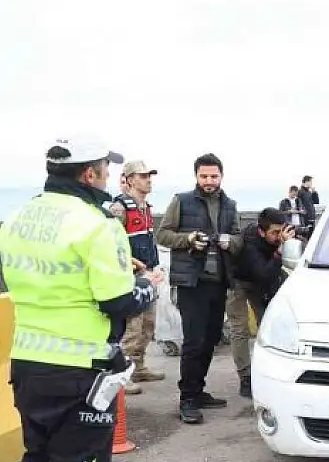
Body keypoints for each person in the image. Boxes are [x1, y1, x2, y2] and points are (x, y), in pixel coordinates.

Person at [1, 138, 160, 462]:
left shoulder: (18, 218)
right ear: (89, 175)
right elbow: (118, 300)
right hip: (82, 370)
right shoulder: (96, 224)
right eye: (104, 170)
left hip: (29, 365)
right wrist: (149, 286)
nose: (107, 177)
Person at [155, 153, 243, 424]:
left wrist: (231, 242)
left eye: (213, 176)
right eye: (204, 176)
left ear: (221, 176)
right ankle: (188, 399)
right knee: (193, 342)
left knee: (210, 339)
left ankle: (199, 389)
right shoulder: (181, 201)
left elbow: (240, 239)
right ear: (196, 176)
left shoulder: (230, 205)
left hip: (218, 282)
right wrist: (189, 239)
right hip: (191, 283)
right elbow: (163, 234)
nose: (209, 181)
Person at [227, 208, 295, 398]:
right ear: (261, 231)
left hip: (260, 283)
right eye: (274, 232)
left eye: (281, 230)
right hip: (238, 281)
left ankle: (272, 372)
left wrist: (290, 244)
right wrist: (279, 253)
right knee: (239, 329)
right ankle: (246, 377)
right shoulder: (249, 244)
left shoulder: (275, 238)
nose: (278, 236)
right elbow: (264, 274)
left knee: (267, 324)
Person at [112, 160, 166, 395]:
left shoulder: (145, 208)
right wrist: (135, 266)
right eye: (143, 176)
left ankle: (139, 366)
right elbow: (111, 243)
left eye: (149, 176)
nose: (148, 180)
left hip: (148, 273)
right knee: (132, 327)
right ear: (130, 179)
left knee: (148, 324)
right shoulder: (119, 208)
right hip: (131, 276)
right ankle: (122, 374)